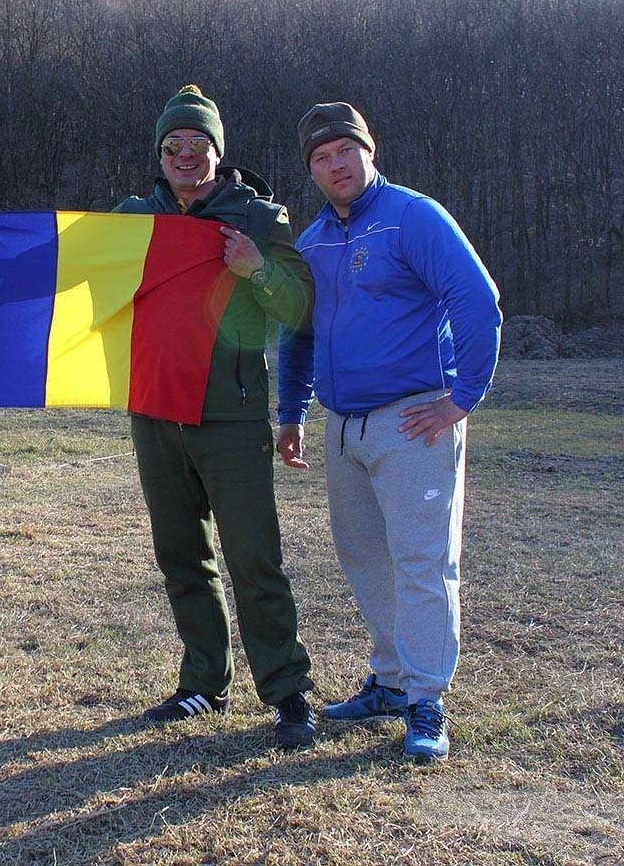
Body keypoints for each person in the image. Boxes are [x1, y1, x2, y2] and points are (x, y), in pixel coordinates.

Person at [277, 101, 501, 762]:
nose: (335, 164)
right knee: (365, 559)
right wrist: (291, 413)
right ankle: (392, 680)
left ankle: (427, 701)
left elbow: (477, 298)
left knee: (421, 560)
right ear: (312, 171)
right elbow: (299, 331)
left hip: (415, 421)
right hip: (344, 428)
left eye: (345, 149)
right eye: (320, 157)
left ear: (367, 152)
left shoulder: (414, 216)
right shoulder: (314, 240)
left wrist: (463, 397)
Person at [114, 84, 318, 750]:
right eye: (173, 146)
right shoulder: (133, 219)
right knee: (181, 557)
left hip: (229, 418)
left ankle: (288, 695)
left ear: (217, 151)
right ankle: (204, 681)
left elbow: (298, 311)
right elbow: (70, 278)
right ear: (160, 154)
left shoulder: (260, 218)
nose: (184, 155)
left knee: (254, 559)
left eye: (197, 145)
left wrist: (257, 269)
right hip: (152, 410)